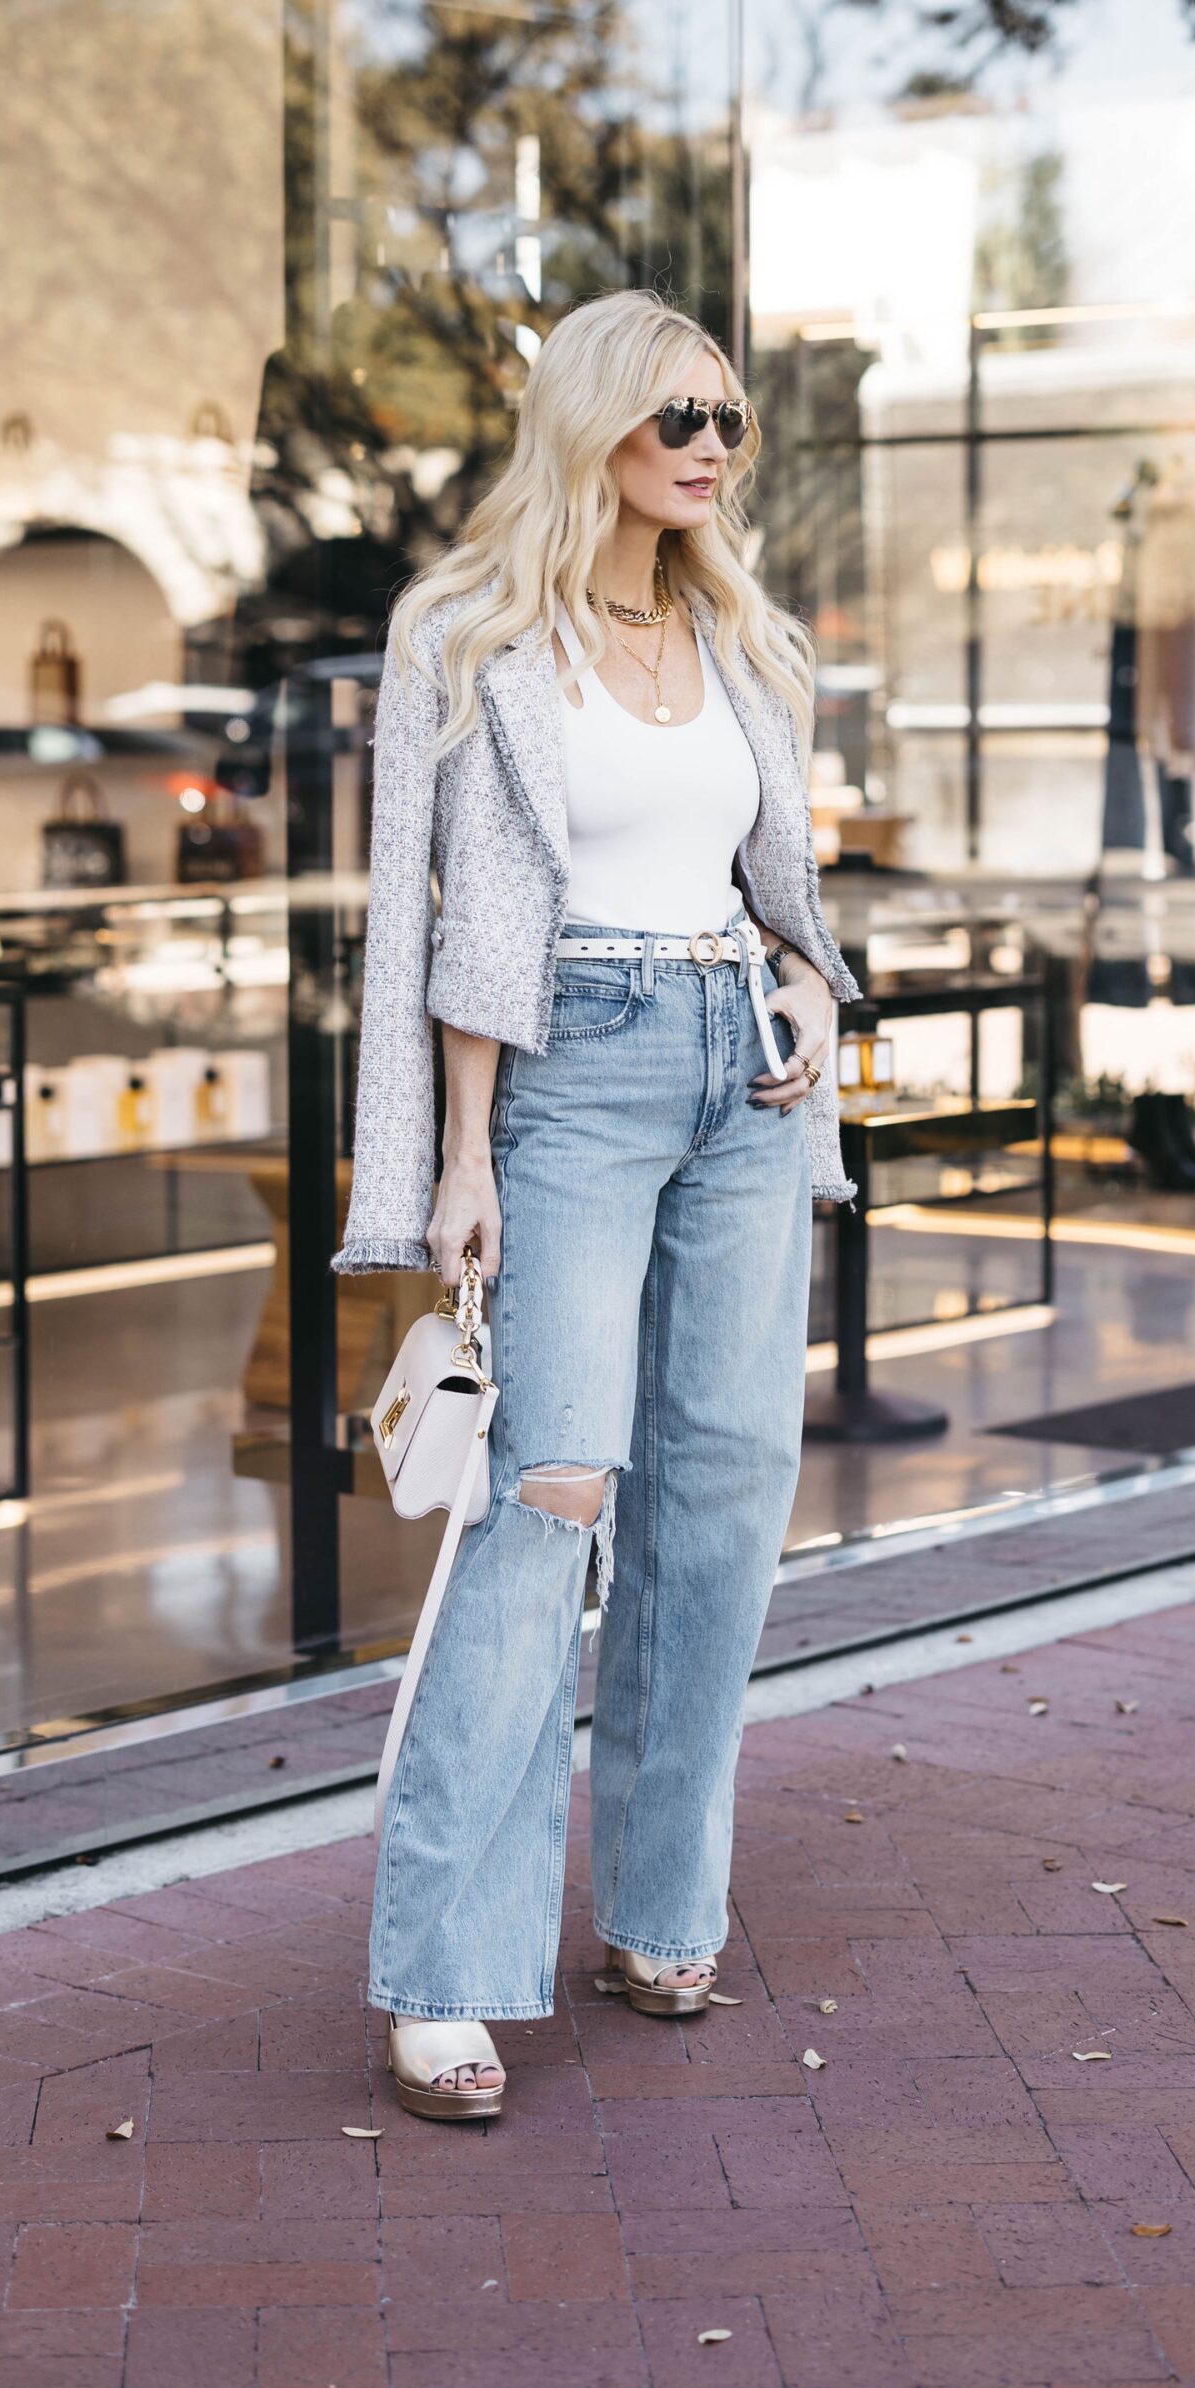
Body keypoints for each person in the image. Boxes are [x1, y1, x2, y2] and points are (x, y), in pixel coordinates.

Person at [334, 288, 856, 2118]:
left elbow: (777, 882)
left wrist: (803, 988)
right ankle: (447, 1966)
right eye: (676, 420)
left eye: (725, 418)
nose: (710, 447)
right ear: (593, 432)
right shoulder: (466, 637)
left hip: (739, 1072)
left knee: (719, 1496)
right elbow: (426, 921)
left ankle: (659, 1908)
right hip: (567, 1075)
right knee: (547, 1494)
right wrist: (453, 1159)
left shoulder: (733, 631)